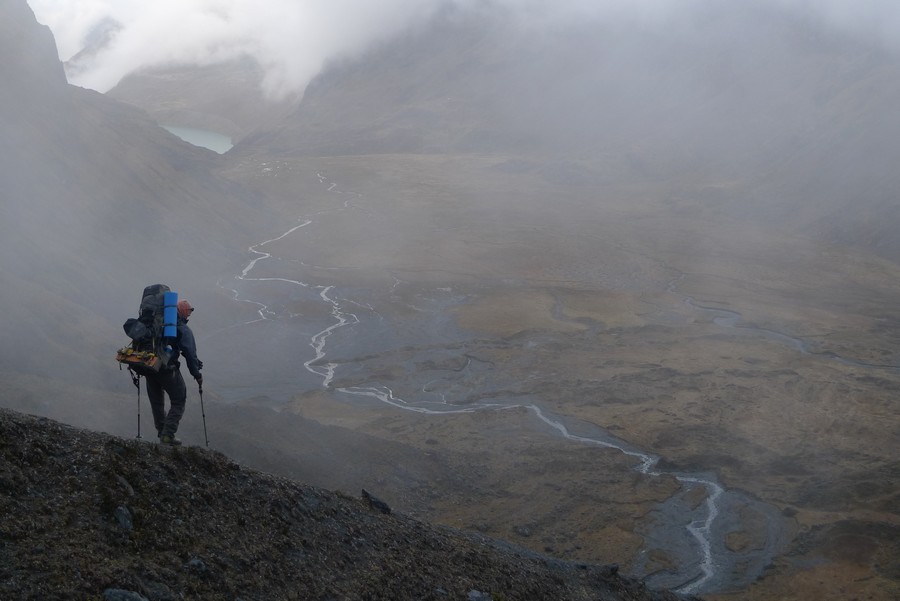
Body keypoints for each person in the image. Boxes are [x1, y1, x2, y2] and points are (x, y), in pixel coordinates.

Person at [146, 299, 203, 445]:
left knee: (157, 401)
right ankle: (167, 435)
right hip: (166, 369)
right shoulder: (182, 329)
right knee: (179, 400)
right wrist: (196, 374)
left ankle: (161, 432)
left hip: (150, 365)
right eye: (189, 311)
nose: (189, 314)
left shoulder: (157, 323)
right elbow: (189, 352)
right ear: (183, 311)